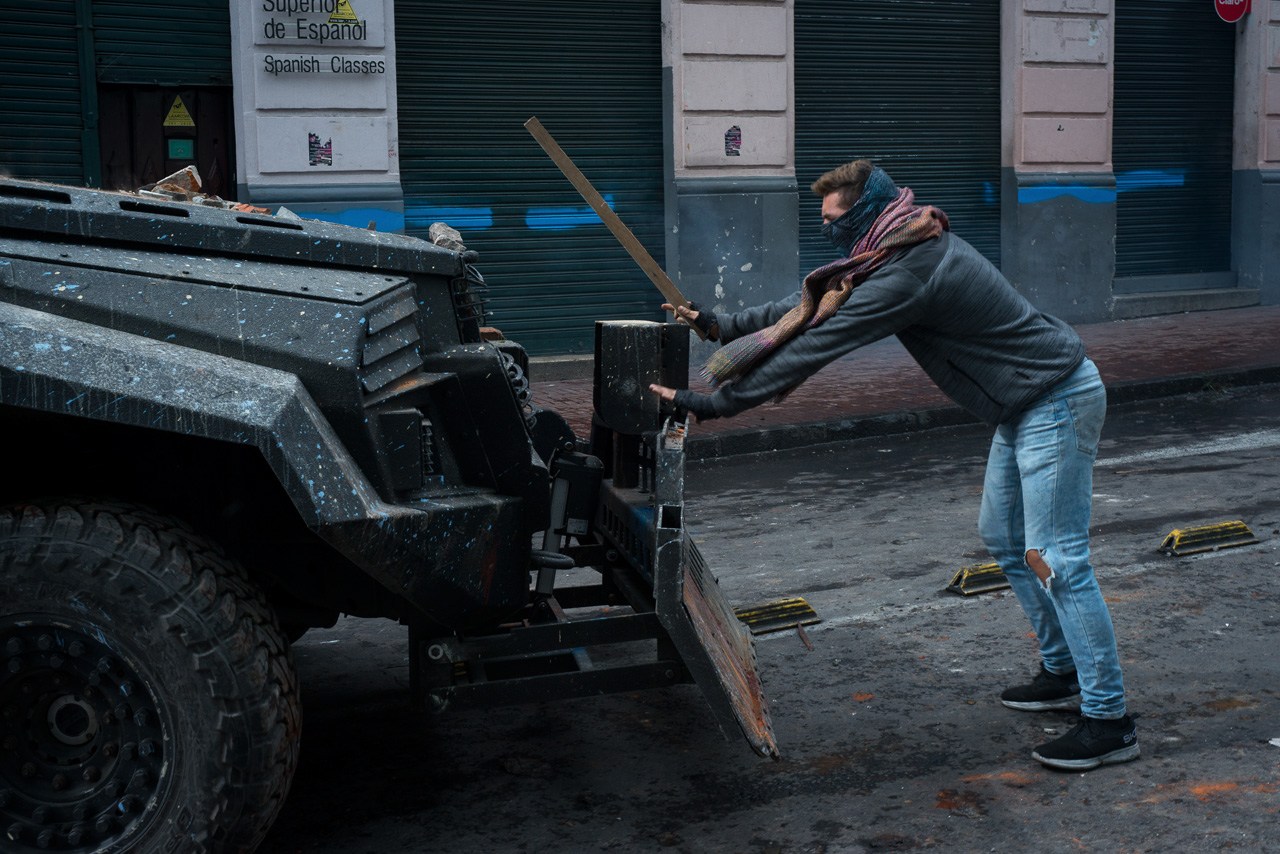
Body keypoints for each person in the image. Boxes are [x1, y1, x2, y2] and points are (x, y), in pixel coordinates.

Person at [649, 160, 1138, 771]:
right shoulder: (888, 250)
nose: (825, 230)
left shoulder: (909, 273)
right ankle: (1063, 669)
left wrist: (711, 404)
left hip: (1054, 398)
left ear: (859, 216)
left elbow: (817, 344)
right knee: (1006, 542)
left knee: (1057, 558)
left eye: (832, 220)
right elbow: (807, 302)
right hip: (1025, 403)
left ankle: (1109, 719)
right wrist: (721, 325)